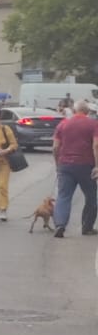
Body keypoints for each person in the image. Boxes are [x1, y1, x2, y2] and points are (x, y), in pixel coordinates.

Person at [51, 99, 98, 238]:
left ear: (73, 110)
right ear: (88, 111)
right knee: (91, 197)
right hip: (86, 165)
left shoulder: (63, 124)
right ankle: (87, 226)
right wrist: (97, 166)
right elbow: (96, 146)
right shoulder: (93, 124)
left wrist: (57, 164)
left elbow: (55, 147)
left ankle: (60, 224)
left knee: (64, 196)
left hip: (65, 165)